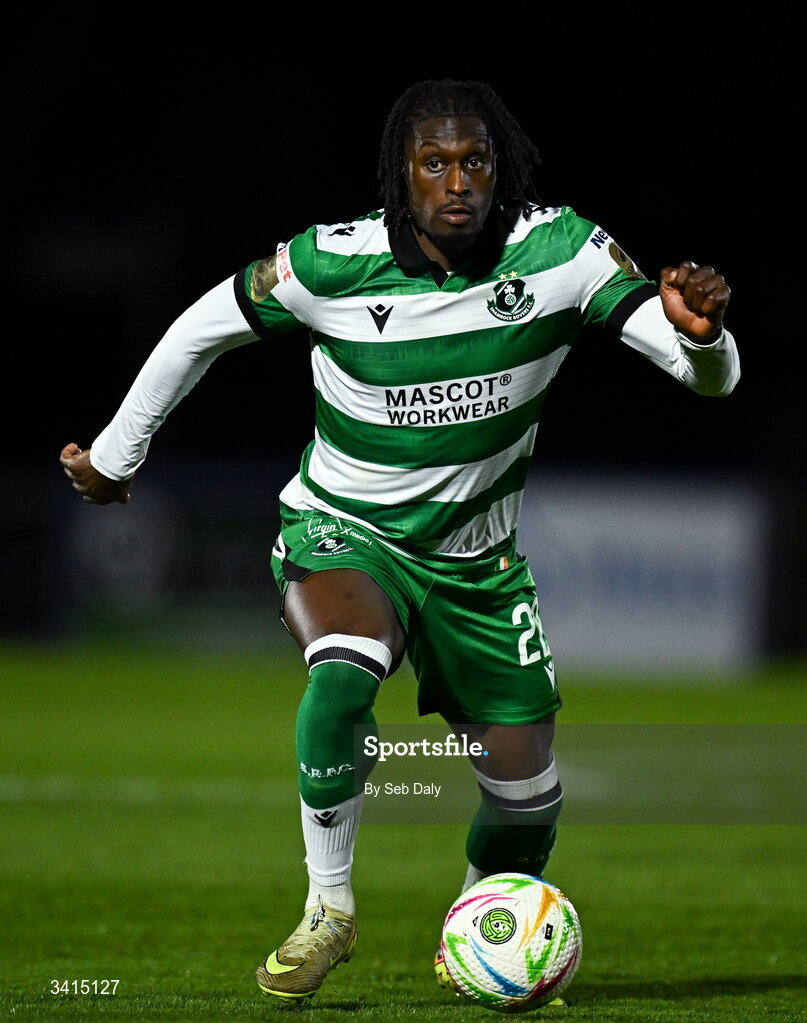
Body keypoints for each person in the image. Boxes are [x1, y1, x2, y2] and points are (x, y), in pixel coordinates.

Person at [60, 79, 739, 1003]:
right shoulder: (331, 263)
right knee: (341, 671)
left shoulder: (562, 254)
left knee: (526, 797)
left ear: (499, 172)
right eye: (434, 164)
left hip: (478, 567)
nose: (456, 182)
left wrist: (705, 338)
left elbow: (704, 373)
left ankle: (472, 936)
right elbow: (197, 330)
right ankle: (328, 908)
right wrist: (114, 453)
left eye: (474, 163)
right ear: (400, 176)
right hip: (346, 529)